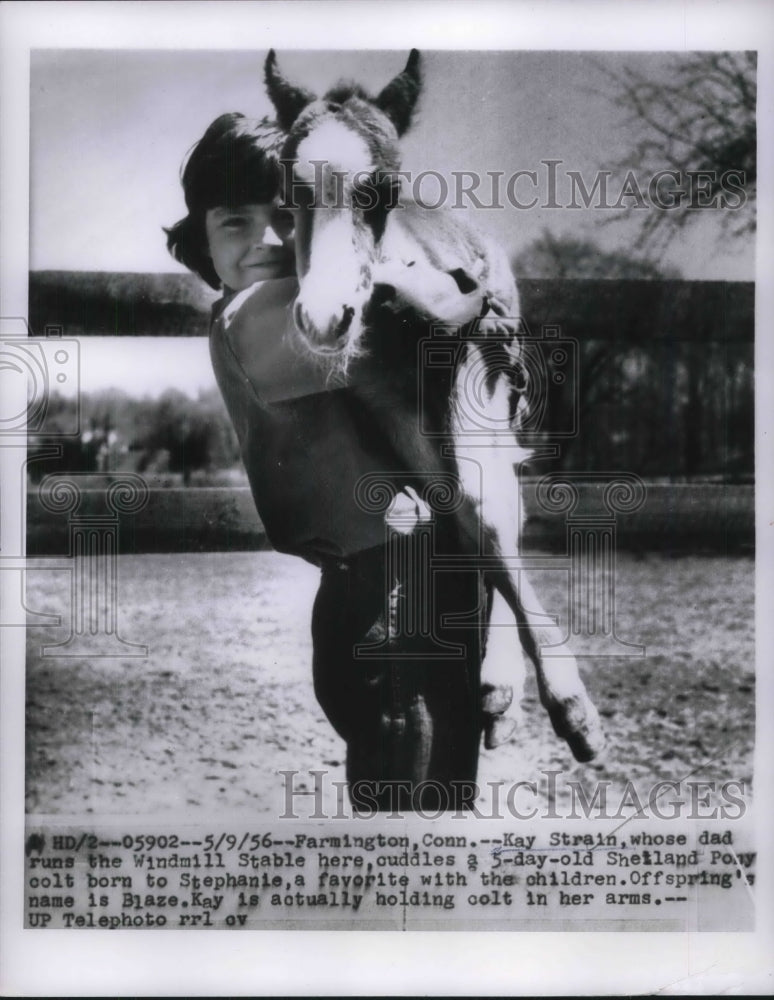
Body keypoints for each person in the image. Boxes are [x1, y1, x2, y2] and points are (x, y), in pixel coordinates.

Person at [166, 113, 516, 809]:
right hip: (378, 593)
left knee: (437, 794)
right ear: (199, 239)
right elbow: (413, 315)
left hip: (428, 572)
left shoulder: (322, 300)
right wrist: (468, 299)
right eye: (236, 223)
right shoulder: (249, 318)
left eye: (288, 219)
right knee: (404, 792)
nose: (269, 241)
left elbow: (465, 435)